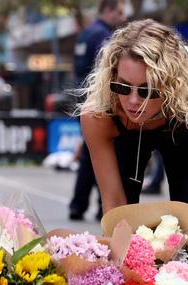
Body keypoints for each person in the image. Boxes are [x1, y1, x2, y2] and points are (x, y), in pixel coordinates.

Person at [77, 19, 188, 243]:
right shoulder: (98, 114)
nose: (133, 101)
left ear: (170, 87)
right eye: (123, 87)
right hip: (124, 136)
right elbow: (114, 206)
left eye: (148, 91)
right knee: (122, 229)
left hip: (180, 124)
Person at [69, 0, 126, 221]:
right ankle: (104, 203)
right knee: (102, 152)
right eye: (119, 12)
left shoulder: (84, 35)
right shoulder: (103, 36)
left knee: (89, 151)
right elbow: (107, 70)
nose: (121, 17)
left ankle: (79, 204)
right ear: (107, 11)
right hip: (96, 100)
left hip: (82, 98)